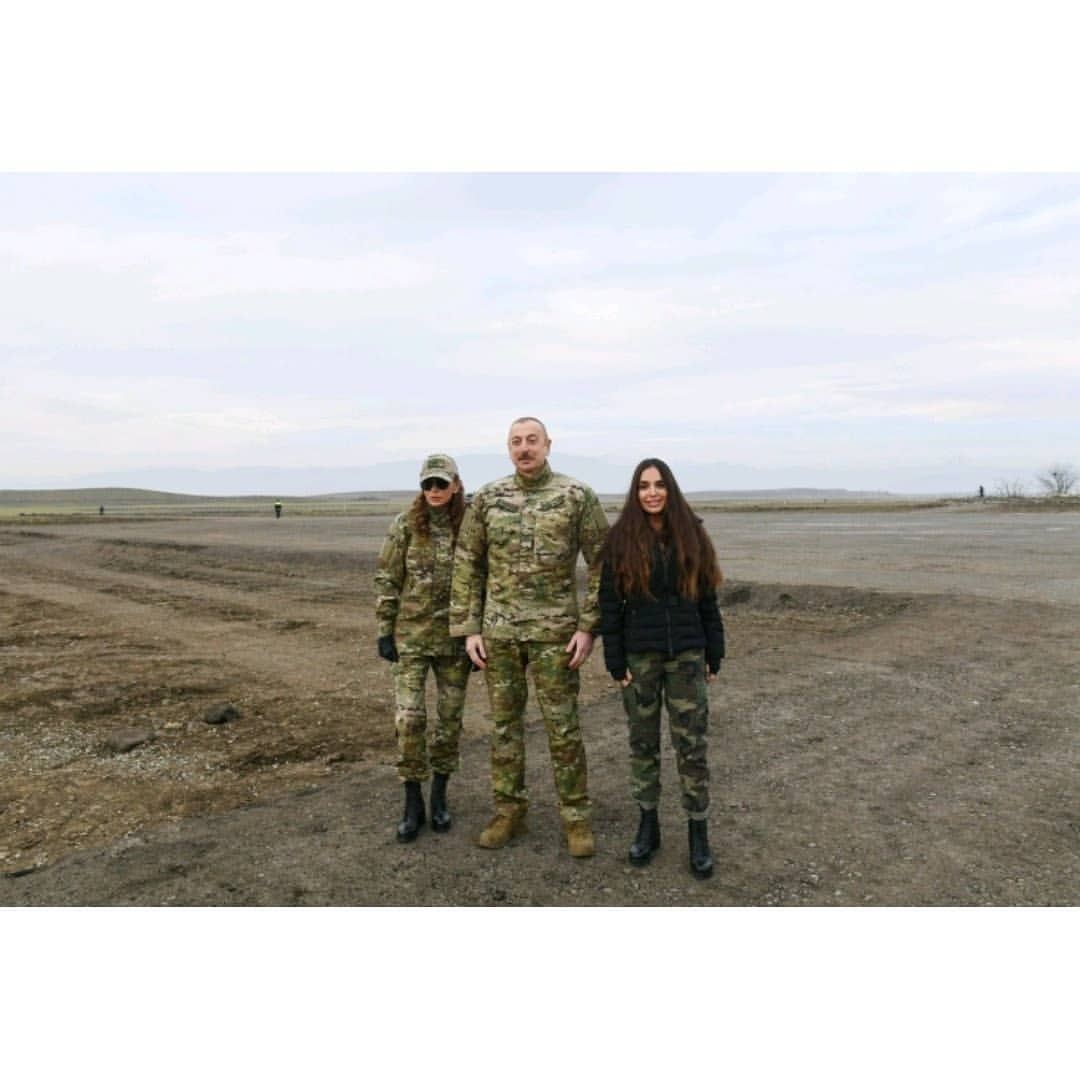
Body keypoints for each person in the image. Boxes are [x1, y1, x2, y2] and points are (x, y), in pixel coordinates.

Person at [450, 417, 609, 857]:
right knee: (504, 727)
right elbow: (467, 563)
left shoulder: (576, 495)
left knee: (563, 727)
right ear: (508, 448)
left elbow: (603, 563)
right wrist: (469, 628)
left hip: (555, 635)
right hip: (499, 634)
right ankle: (509, 811)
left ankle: (575, 817)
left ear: (548, 445)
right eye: (516, 442)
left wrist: (588, 626)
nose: (524, 448)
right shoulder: (488, 498)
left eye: (532, 440)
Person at [598, 458, 725, 880]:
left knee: (692, 746)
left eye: (658, 485)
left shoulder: (693, 534)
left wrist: (715, 650)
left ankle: (698, 833)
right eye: (643, 486)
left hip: (687, 655)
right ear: (635, 493)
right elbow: (609, 604)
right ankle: (647, 825)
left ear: (670, 489)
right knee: (643, 743)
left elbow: (707, 598)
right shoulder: (620, 539)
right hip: (641, 658)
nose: (651, 493)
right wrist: (615, 659)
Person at [374, 453, 472, 842]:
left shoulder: (470, 526)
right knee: (409, 721)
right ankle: (412, 800)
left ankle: (440, 795)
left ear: (456, 485)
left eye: (441, 483)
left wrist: (477, 635)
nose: (434, 490)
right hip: (411, 640)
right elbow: (387, 578)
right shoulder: (405, 525)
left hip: (455, 643)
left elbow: (483, 580)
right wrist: (384, 630)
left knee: (449, 723)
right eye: (428, 484)